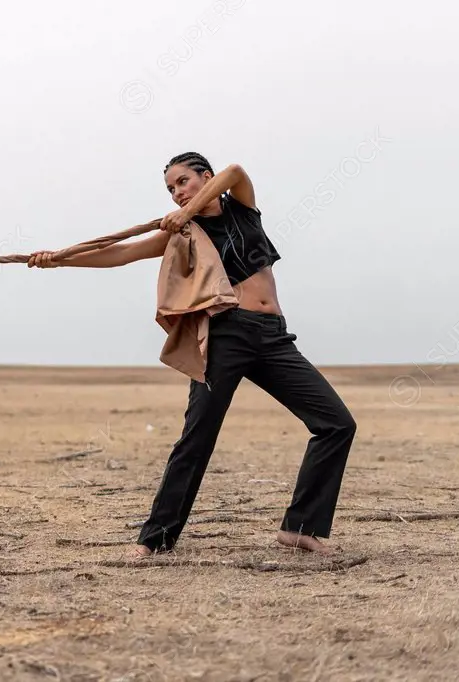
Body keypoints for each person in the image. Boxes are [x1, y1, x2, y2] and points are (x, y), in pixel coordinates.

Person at [28, 152, 356, 557]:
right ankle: (154, 540)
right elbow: (121, 253)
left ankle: (300, 527)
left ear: (206, 177)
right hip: (226, 336)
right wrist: (60, 260)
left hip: (273, 338)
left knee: (337, 424)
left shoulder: (244, 211)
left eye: (183, 182)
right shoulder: (182, 233)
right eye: (171, 189)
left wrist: (188, 212)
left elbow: (237, 171)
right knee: (196, 439)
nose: (177, 193)